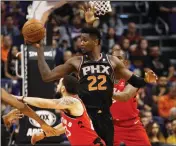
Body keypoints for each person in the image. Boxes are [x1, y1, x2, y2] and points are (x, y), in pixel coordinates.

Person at [30, 5, 157, 146]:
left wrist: (146, 79)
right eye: (80, 40)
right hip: (95, 120)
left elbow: (127, 92)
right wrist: (39, 50)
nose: (81, 43)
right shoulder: (78, 63)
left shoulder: (119, 72)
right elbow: (48, 77)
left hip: (122, 123)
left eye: (118, 59)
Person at [16, 75, 105, 146]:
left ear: (63, 89)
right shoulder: (70, 107)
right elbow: (64, 127)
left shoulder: (72, 101)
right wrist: (43, 134)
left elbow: (46, 103)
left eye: (59, 83)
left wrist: (22, 98)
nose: (57, 86)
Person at [110, 48, 151, 146]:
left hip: (132, 125)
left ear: (125, 62)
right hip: (110, 126)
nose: (114, 61)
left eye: (118, 58)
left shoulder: (133, 79)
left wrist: (106, 92)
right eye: (112, 58)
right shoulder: (101, 79)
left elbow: (125, 95)